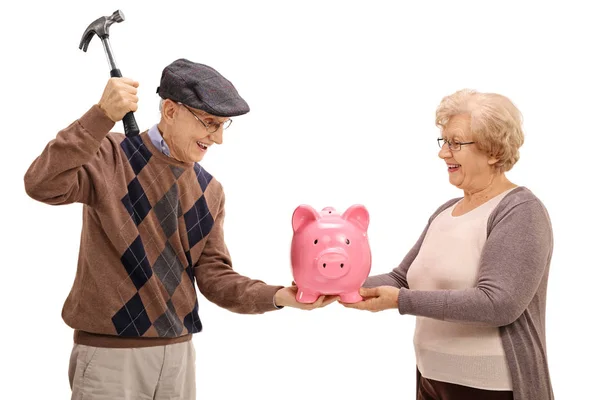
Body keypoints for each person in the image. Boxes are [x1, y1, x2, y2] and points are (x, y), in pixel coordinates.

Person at [24, 58, 337, 400]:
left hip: (178, 358)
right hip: (111, 359)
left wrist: (277, 296)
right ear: (171, 111)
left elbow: (214, 276)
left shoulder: (210, 190)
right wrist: (101, 114)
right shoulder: (109, 156)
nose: (217, 138)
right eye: (209, 123)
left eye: (223, 125)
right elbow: (42, 184)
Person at [341, 89, 554, 400]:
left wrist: (400, 301)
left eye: (456, 143)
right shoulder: (445, 211)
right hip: (432, 380)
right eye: (444, 142)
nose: (444, 153)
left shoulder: (519, 211)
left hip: (491, 389)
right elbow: (402, 279)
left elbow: (498, 304)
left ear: (493, 150)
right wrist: (335, 283)